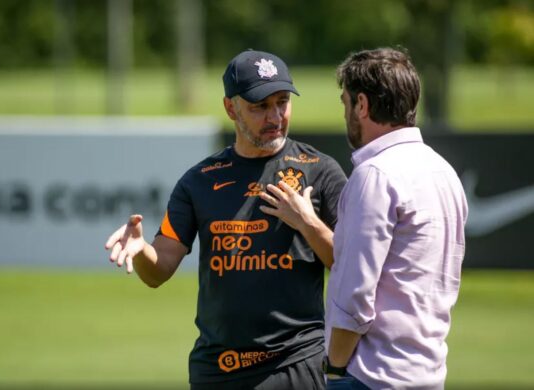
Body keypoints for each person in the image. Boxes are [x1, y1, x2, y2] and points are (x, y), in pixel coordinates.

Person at [105, 49, 347, 390]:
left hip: (295, 364)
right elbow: (158, 271)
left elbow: (350, 263)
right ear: (230, 108)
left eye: (282, 102)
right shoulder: (198, 180)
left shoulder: (321, 171)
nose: (275, 116)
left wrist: (307, 222)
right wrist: (142, 249)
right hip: (216, 370)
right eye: (259, 106)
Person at [323, 48, 468, 389]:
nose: (346, 113)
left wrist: (334, 369)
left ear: (362, 104)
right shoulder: (443, 171)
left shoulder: (375, 174)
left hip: (370, 375)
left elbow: (354, 294)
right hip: (428, 372)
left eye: (346, 102)